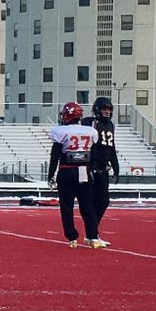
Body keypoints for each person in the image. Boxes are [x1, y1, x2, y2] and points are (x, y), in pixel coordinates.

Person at [47, 103, 103, 247]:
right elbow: (94, 154)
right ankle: (92, 236)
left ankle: (72, 237)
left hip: (67, 170)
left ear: (67, 115)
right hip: (84, 171)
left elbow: (55, 155)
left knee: (67, 206)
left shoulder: (61, 131)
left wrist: (50, 174)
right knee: (87, 206)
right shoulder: (90, 131)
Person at [88, 96, 120, 233]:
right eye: (104, 109)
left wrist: (116, 168)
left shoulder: (110, 125)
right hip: (94, 167)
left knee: (102, 201)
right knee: (98, 200)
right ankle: (92, 231)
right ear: (97, 110)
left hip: (104, 167)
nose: (107, 112)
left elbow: (111, 148)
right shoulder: (91, 123)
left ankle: (93, 230)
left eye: (109, 109)